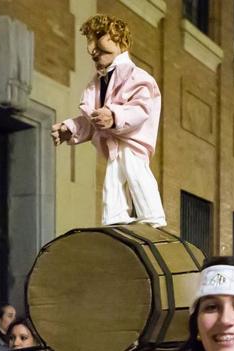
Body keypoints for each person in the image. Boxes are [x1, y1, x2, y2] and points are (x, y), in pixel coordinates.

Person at [53, 15, 165, 227]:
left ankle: (152, 215)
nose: (93, 49)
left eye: (100, 43)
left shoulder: (138, 77)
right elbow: (92, 120)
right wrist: (70, 128)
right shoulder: (98, 82)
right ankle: (114, 216)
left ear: (120, 41)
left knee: (136, 172)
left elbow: (141, 109)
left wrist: (114, 116)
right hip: (113, 143)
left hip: (132, 143)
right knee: (113, 180)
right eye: (92, 44)